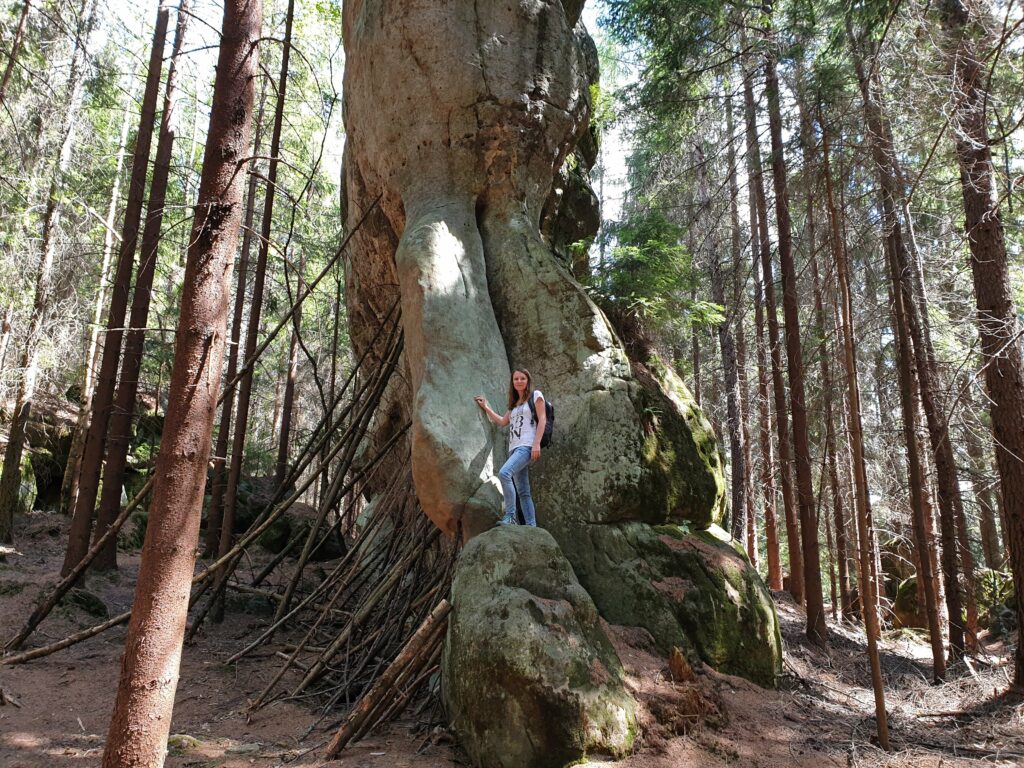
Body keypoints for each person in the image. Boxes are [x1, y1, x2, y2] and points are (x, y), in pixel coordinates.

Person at [474, 369, 546, 526]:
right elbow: (502, 421)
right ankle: (531, 525)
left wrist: (536, 444)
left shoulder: (536, 396)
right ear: (512, 382)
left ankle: (511, 516)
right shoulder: (514, 405)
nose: (519, 381)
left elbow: (542, 419)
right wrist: (486, 407)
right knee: (523, 491)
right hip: (514, 448)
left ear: (528, 380)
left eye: (522, 378)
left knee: (504, 473)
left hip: (527, 446)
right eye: (516, 379)